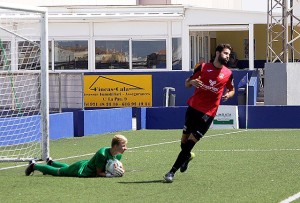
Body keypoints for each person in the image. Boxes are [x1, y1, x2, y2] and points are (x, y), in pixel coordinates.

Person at [163, 44, 235, 183]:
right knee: (184, 142)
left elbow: (231, 89)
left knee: (190, 143)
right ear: (217, 53)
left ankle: (171, 172)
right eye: (225, 53)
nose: (227, 56)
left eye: (229, 55)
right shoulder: (202, 67)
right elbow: (187, 83)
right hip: (193, 108)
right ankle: (187, 157)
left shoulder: (228, 73)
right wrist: (192, 81)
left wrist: (229, 95)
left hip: (208, 113)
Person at [25, 134, 128, 178]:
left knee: (67, 168)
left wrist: (121, 170)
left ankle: (52, 162)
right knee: (58, 172)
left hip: (84, 165)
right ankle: (34, 166)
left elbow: (120, 165)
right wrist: (111, 175)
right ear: (115, 146)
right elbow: (98, 173)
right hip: (82, 170)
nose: (125, 148)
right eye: (123, 146)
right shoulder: (102, 154)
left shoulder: (118, 155)